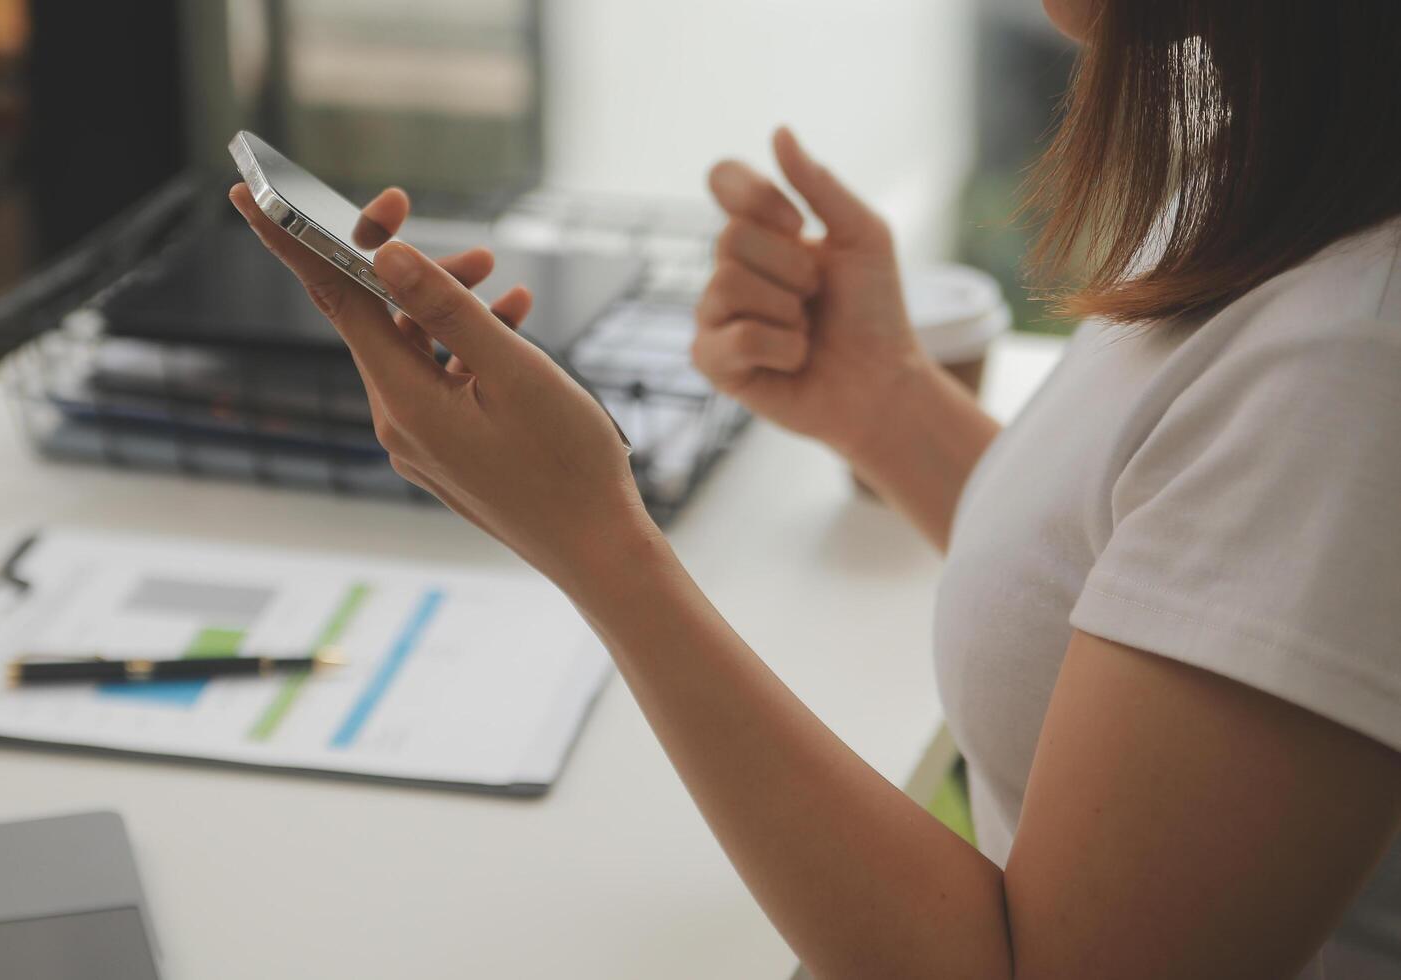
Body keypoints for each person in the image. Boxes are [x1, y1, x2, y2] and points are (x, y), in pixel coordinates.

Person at [231, 0, 1401, 975]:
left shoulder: (1348, 361)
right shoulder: (1295, 169)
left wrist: (596, 540)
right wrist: (880, 398)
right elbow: (1166, 564)